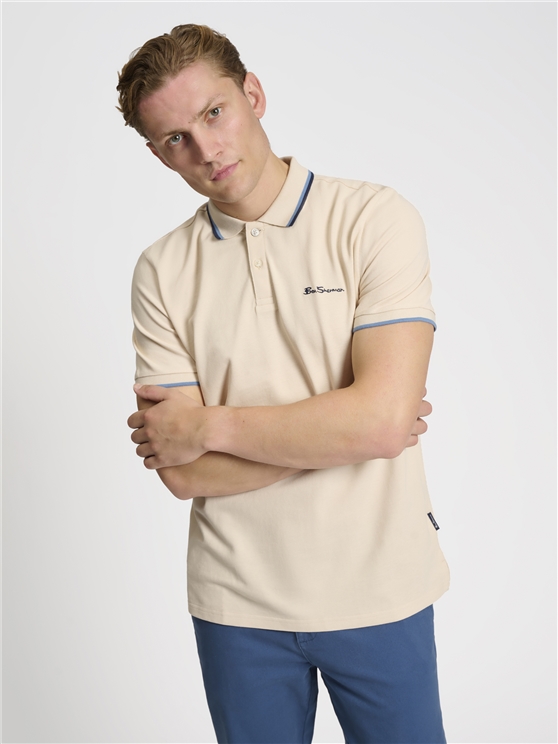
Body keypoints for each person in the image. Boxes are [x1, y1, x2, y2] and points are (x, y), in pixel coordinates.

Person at [119, 23, 449, 744]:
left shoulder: (372, 219)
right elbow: (183, 474)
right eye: (176, 138)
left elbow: (381, 424)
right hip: (235, 605)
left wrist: (208, 426)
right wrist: (349, 430)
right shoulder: (162, 270)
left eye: (214, 113)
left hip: (380, 588)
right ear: (157, 154)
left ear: (254, 94)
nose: (207, 149)